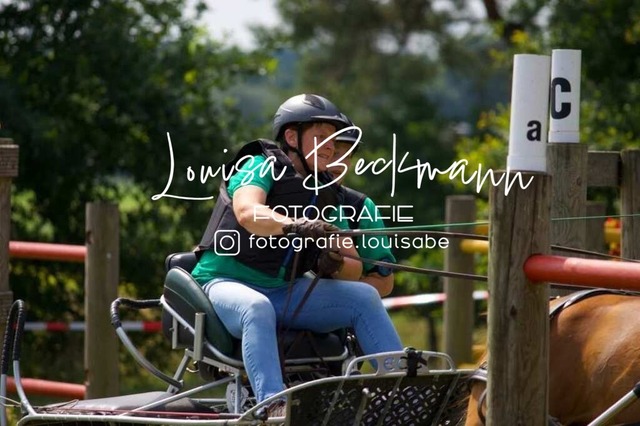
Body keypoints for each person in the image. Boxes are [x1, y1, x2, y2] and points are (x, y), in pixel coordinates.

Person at [190, 94, 403, 417]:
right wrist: (296, 225)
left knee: (363, 297)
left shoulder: (328, 191)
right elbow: (247, 212)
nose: (331, 147)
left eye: (334, 139)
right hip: (223, 282)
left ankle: (404, 395)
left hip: (283, 290)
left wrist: (333, 262)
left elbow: (353, 272)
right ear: (292, 137)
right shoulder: (260, 165)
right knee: (256, 307)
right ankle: (273, 405)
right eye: (321, 137)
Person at [328, 122, 397, 297]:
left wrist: (327, 298)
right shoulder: (276, 192)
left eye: (347, 156)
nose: (340, 164)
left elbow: (384, 282)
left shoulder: (362, 206)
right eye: (333, 153)